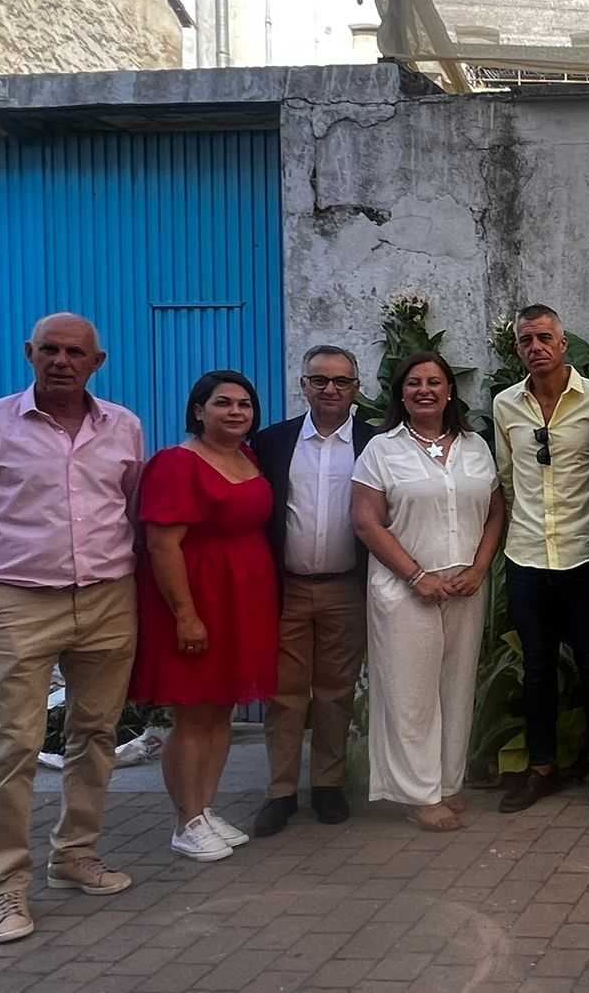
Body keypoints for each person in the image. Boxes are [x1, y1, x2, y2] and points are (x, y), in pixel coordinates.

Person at [0, 314, 145, 943]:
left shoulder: (125, 427)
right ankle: (4, 886)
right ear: (29, 353)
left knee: (96, 734)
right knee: (11, 746)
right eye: (49, 349)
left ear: (96, 362)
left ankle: (76, 856)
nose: (61, 361)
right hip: (20, 603)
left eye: (74, 352)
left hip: (109, 599)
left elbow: (135, 515)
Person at [351, 351, 505, 832]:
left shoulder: (476, 445)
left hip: (464, 586)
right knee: (409, 692)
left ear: (450, 391)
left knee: (455, 688)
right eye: (414, 382)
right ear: (401, 393)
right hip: (405, 588)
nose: (425, 390)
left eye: (435, 381)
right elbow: (365, 521)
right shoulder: (382, 449)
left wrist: (480, 569)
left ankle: (444, 781)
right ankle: (417, 792)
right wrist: (417, 576)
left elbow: (496, 511)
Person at [133, 370, 282, 861]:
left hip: (245, 598)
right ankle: (184, 820)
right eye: (223, 403)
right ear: (199, 410)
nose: (236, 412)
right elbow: (162, 543)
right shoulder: (178, 464)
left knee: (221, 711)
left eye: (245, 404)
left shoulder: (246, 457)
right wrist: (185, 615)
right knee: (193, 714)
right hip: (200, 598)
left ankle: (205, 808)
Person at [491, 306, 589, 813]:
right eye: (526, 341)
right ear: (518, 350)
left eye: (545, 338)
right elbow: (506, 480)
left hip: (584, 556)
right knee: (538, 668)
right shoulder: (506, 406)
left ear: (564, 344)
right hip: (526, 556)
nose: (536, 348)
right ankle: (541, 768)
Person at [246, 346, 376, 837]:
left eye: (341, 381)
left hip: (347, 587)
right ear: (303, 385)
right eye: (319, 380)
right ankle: (280, 793)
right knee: (284, 696)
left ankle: (327, 786)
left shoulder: (375, 441)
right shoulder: (273, 442)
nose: (330, 390)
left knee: (336, 694)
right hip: (288, 590)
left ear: (356, 388)